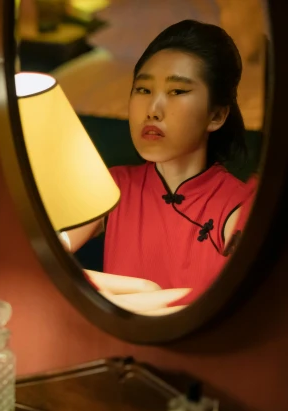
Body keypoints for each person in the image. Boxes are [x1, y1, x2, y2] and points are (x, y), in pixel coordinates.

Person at [63, 20, 256, 308]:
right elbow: (38, 260)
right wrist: (138, 288)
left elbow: (237, 306)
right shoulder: (113, 187)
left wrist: (141, 298)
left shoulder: (238, 206)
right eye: (143, 90)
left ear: (215, 115)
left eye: (177, 91)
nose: (153, 110)